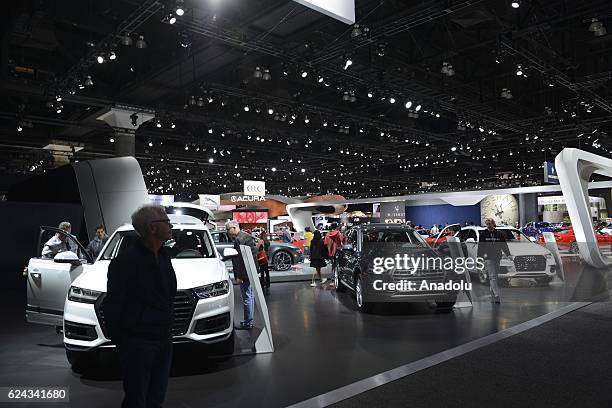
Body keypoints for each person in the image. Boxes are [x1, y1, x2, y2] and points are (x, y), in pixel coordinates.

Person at [102, 204, 176, 408]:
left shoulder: (164, 257)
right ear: (152, 228)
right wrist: (123, 340)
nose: (170, 225)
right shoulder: (124, 263)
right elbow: (113, 304)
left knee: (156, 396)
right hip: (138, 342)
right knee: (136, 398)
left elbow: (167, 295)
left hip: (164, 337)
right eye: (166, 221)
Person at [226, 221, 258, 329]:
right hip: (250, 271)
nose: (227, 232)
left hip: (244, 274)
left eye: (228, 229)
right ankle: (249, 321)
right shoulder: (246, 237)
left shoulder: (240, 239)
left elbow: (240, 261)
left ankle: (248, 322)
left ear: (234, 228)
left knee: (247, 297)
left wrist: (239, 276)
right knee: (250, 296)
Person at [477, 218, 510, 304]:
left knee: (495, 275)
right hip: (488, 258)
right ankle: (496, 295)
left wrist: (508, 254)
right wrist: (479, 258)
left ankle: (492, 293)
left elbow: (504, 245)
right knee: (492, 276)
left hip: (497, 257)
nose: (488, 225)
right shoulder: (483, 234)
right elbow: (480, 247)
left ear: (493, 224)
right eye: (487, 224)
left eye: (490, 223)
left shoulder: (499, 234)